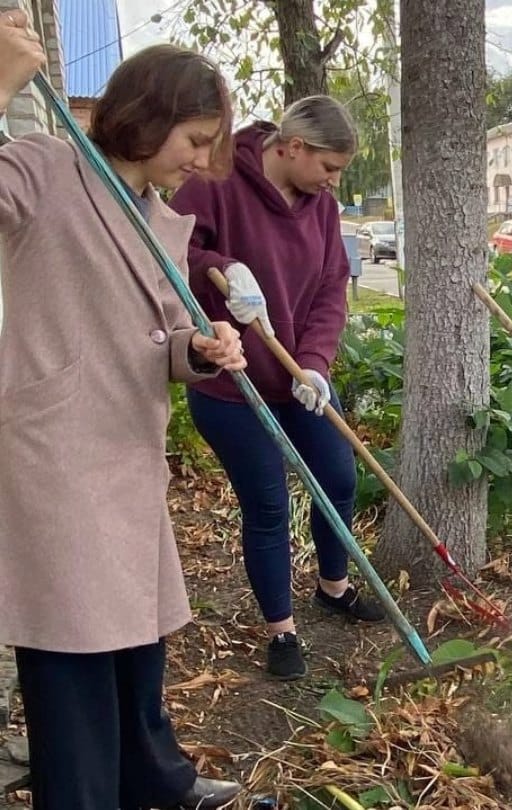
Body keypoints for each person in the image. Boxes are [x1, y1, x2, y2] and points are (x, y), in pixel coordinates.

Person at [0, 32, 245, 810]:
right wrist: (0, 83)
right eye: (196, 141)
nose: (203, 163)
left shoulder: (158, 218)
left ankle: (151, 780)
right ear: (148, 114)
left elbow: (164, 344)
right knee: (72, 647)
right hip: (57, 454)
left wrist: (201, 349)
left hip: (127, 451)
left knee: (137, 637)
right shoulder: (45, 168)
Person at [169, 95, 385, 681]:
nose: (334, 181)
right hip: (232, 382)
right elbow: (169, 249)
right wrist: (220, 265)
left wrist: (314, 365)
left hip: (297, 378)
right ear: (292, 147)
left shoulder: (320, 208)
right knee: (267, 505)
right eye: (329, 167)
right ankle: (281, 630)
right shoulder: (214, 179)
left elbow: (330, 292)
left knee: (338, 479)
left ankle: (333, 589)